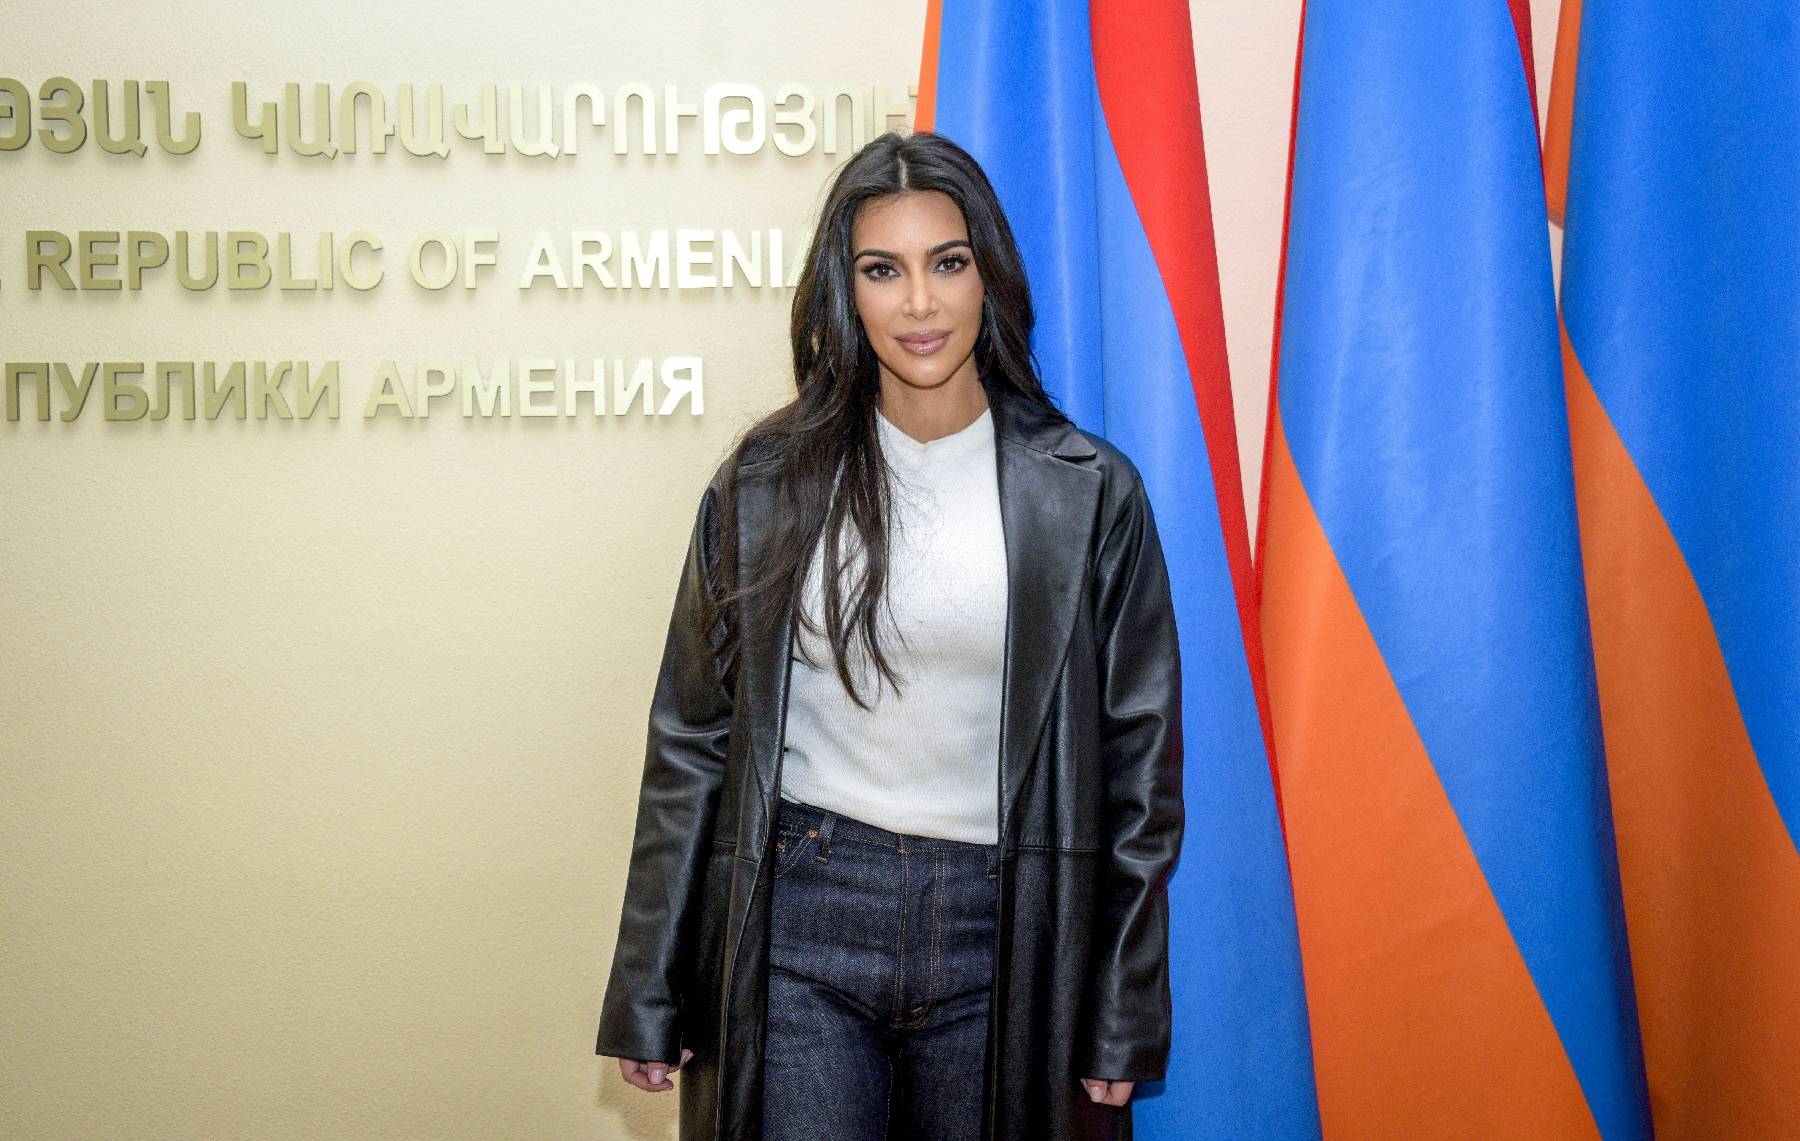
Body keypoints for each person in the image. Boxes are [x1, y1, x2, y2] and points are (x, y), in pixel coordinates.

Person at [595, 129, 1184, 1141]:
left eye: (947, 263)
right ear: (845, 290)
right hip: (800, 926)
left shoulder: (1090, 493)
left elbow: (1142, 778)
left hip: (1008, 936)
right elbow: (691, 742)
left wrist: (1121, 1005)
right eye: (883, 270)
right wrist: (652, 982)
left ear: (989, 276)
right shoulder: (765, 482)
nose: (919, 302)